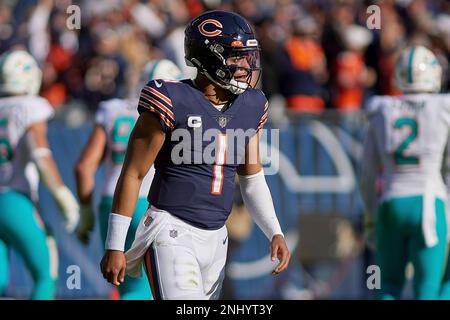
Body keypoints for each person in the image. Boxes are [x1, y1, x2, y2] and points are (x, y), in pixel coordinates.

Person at [100, 10, 290, 300]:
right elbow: (134, 172)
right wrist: (114, 245)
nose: (244, 66)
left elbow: (251, 178)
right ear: (208, 57)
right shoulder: (172, 99)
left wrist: (274, 230)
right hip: (171, 230)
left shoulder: (252, 104)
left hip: (217, 237)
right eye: (235, 57)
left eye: (247, 57)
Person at [75, 59, 183, 300]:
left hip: (111, 203)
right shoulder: (174, 111)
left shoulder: (112, 109)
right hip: (151, 204)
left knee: (125, 286)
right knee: (146, 291)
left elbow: (84, 167)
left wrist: (85, 214)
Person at [360, 45, 449, 299]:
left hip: (391, 203)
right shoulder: (443, 107)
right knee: (428, 290)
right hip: (429, 203)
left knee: (388, 286)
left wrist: (371, 217)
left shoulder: (381, 108)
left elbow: (366, 173)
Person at [0, 50, 80, 299]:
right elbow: (39, 153)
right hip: (15, 200)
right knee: (46, 274)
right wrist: (61, 193)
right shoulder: (31, 106)